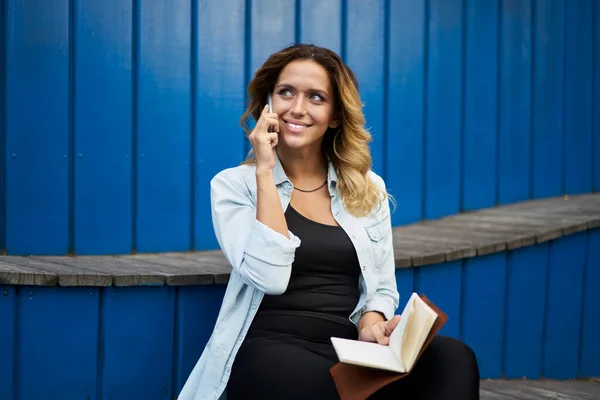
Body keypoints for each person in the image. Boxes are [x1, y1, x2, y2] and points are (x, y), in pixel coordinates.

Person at [178, 44, 480, 400]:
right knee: (327, 388)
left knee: (454, 358)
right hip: (272, 350)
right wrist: (265, 169)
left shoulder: (367, 189)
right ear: (268, 104)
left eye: (316, 97)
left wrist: (372, 326)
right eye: (286, 92)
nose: (297, 108)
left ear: (335, 115)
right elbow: (271, 277)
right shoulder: (233, 186)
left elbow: (381, 288)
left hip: (348, 351)